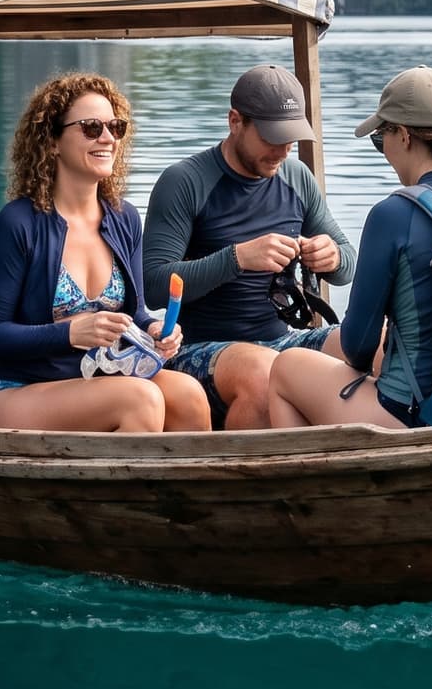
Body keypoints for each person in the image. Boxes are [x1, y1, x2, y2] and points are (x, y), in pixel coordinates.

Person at [266, 65, 432, 429]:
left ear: (402, 136)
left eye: (379, 138)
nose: (382, 149)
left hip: (420, 415)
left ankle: (312, 482)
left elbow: (357, 347)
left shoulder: (394, 214)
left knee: (287, 368)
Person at [0, 74, 208, 433]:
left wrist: (156, 328)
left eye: (116, 127)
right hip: (20, 389)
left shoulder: (124, 218)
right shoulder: (16, 224)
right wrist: (68, 334)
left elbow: (136, 313)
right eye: (90, 128)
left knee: (189, 394)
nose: (107, 138)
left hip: (100, 378)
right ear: (51, 141)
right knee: (139, 399)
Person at [141, 64, 355, 430]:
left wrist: (331, 256)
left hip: (282, 342)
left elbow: (349, 262)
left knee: (377, 342)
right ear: (235, 121)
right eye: (272, 138)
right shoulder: (185, 181)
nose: (283, 150)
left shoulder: (296, 177)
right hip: (199, 350)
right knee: (263, 372)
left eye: (290, 138)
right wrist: (237, 258)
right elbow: (154, 284)